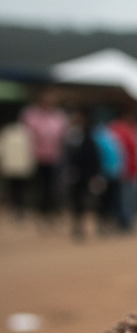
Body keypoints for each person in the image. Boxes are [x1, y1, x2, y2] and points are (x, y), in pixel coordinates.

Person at [20, 89, 68, 220]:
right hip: (35, 156)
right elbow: (27, 134)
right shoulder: (31, 115)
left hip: (54, 157)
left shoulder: (59, 117)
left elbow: (62, 136)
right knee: (36, 186)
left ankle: (50, 211)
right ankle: (36, 210)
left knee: (52, 186)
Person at [64, 110, 100, 238]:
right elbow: (67, 157)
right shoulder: (70, 136)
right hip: (74, 174)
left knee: (84, 199)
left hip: (86, 175)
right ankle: (76, 223)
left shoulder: (88, 137)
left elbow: (94, 157)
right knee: (75, 199)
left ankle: (81, 223)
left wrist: (95, 175)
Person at [109, 108, 137, 231]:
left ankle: (127, 221)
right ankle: (124, 222)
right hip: (124, 170)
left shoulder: (132, 130)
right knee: (125, 198)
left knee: (129, 198)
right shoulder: (119, 129)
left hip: (131, 170)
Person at [0, 118, 35, 218]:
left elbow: (30, 151)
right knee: (13, 188)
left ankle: (19, 207)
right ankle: (14, 207)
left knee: (19, 189)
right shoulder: (7, 132)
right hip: (12, 166)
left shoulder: (26, 133)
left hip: (20, 167)